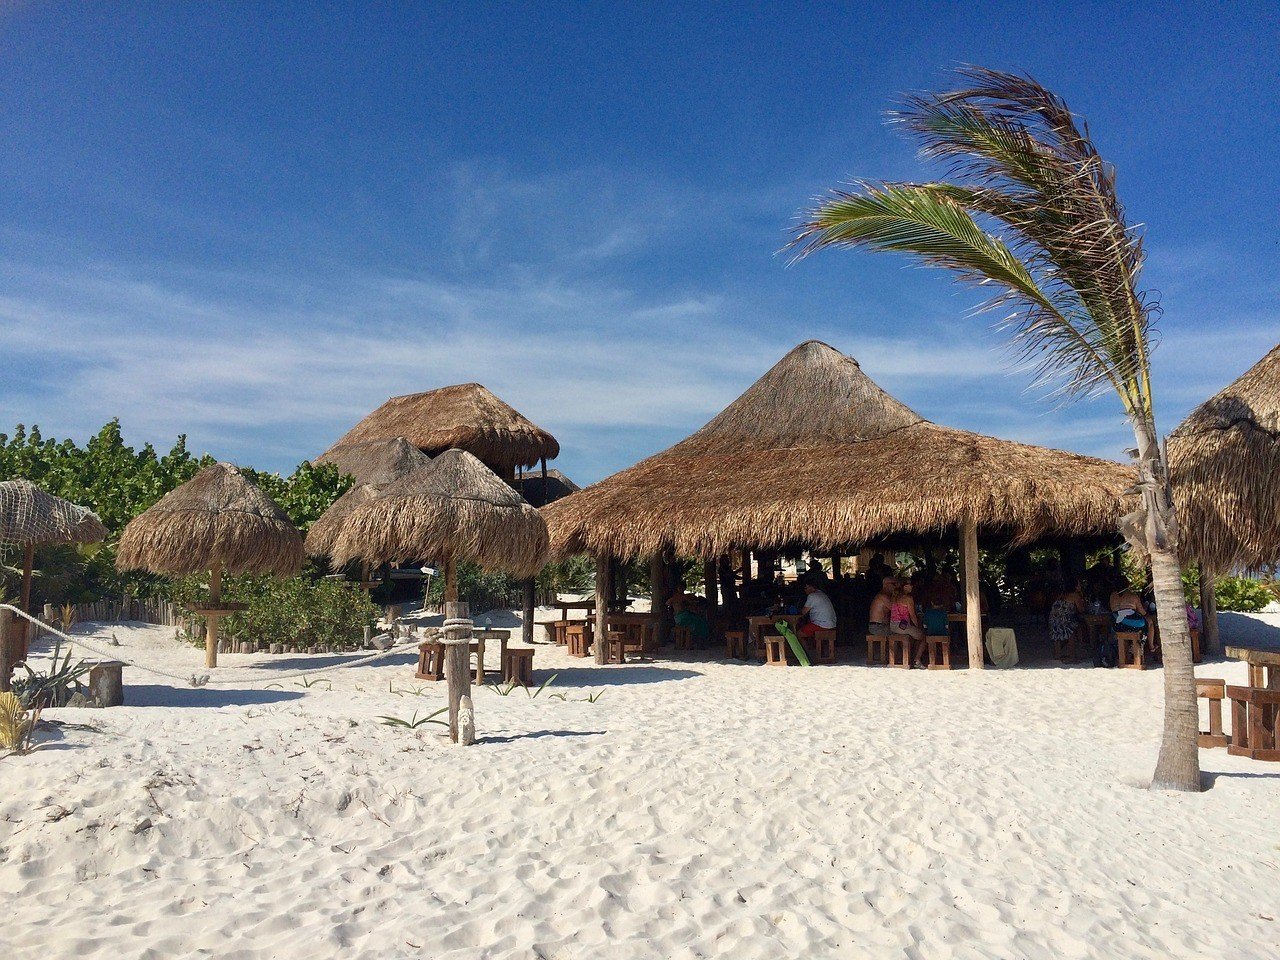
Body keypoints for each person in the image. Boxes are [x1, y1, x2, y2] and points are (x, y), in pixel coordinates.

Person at [1049, 577, 1087, 659]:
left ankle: (1057, 655)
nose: (1080, 586)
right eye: (1079, 584)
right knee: (1075, 627)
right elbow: (1081, 609)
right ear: (1075, 586)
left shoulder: (1061, 595)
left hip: (1054, 620)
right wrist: (1082, 596)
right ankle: (1072, 654)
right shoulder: (1075, 595)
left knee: (1058, 635)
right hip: (1065, 621)